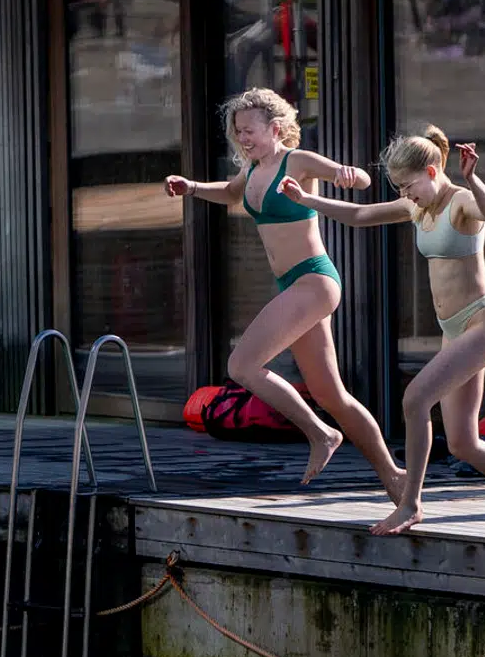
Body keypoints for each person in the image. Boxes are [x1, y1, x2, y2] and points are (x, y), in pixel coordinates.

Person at [279, 127, 485, 549]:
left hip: (482, 325)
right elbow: (358, 216)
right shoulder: (417, 210)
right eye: (401, 189)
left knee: (414, 400)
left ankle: (411, 503)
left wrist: (473, 178)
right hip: (454, 331)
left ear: (431, 171)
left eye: (410, 186)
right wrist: (306, 200)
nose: (407, 195)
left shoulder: (459, 203)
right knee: (463, 443)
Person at [163, 88, 404, 498]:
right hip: (294, 285)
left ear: (275, 128)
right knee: (331, 393)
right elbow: (229, 193)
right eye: (238, 131)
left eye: (250, 130)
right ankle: (395, 477)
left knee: (241, 365)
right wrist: (191, 187)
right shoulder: (254, 169)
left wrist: (351, 176)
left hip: (314, 280)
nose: (243, 138)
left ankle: (320, 434)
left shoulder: (297, 160)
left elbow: (359, 178)